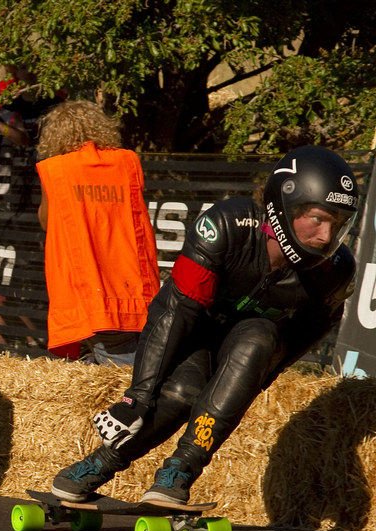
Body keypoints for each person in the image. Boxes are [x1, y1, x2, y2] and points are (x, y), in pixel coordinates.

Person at [51, 145, 359, 505]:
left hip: (249, 342)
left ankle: (179, 471)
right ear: (284, 207)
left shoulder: (337, 272)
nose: (326, 236)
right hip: (193, 327)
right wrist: (138, 395)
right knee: (182, 392)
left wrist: (259, 377)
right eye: (318, 219)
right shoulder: (225, 225)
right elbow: (175, 312)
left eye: (337, 224)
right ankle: (99, 463)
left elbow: (304, 336)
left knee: (259, 339)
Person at [36, 100, 160, 364]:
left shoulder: (55, 169)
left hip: (91, 293)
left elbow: (46, 222)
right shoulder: (127, 161)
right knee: (139, 364)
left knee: (124, 373)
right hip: (134, 287)